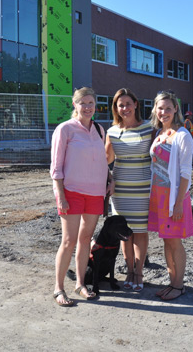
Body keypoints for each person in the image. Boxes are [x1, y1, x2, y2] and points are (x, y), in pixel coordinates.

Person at [50, 87, 114, 306]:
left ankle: (80, 284)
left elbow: (102, 160)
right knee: (68, 241)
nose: (87, 107)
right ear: (74, 104)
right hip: (72, 192)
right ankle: (59, 288)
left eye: (91, 103)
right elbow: (56, 167)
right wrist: (60, 195)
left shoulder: (99, 129)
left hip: (95, 193)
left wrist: (110, 178)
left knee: (85, 239)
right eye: (83, 103)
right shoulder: (65, 129)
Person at [148, 91, 193, 301]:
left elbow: (186, 173)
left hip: (174, 197)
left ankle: (179, 285)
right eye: (160, 108)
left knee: (175, 243)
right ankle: (172, 282)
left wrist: (177, 204)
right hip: (159, 195)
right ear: (155, 110)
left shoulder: (182, 135)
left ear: (176, 109)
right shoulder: (160, 134)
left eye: (168, 108)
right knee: (166, 241)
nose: (164, 112)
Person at [105, 88, 153, 292]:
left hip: (143, 187)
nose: (124, 108)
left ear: (136, 105)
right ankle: (128, 270)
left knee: (140, 231)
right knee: (124, 232)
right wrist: (109, 179)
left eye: (127, 104)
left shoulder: (149, 128)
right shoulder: (112, 131)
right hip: (121, 187)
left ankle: (139, 272)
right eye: (120, 105)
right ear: (116, 108)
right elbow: (104, 160)